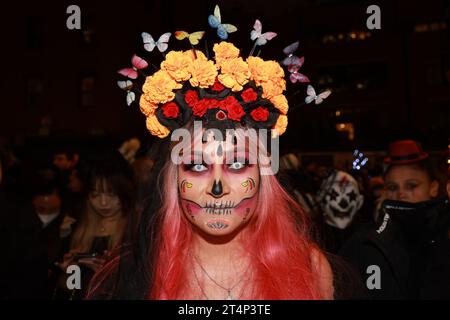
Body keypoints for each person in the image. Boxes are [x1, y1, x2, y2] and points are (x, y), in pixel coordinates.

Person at [86, 15, 338, 299]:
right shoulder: (134, 274)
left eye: (238, 164)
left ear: (264, 173)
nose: (218, 188)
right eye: (196, 165)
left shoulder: (309, 267)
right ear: (173, 178)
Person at [340, 140, 449, 299]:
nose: (401, 194)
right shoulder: (365, 241)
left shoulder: (445, 237)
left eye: (411, 186)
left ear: (433, 188)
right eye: (393, 187)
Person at [56, 150, 134, 299]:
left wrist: (108, 274)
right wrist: (69, 272)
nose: (103, 203)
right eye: (95, 195)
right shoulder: (79, 229)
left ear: (124, 192)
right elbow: (72, 289)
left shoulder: (136, 230)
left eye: (111, 194)